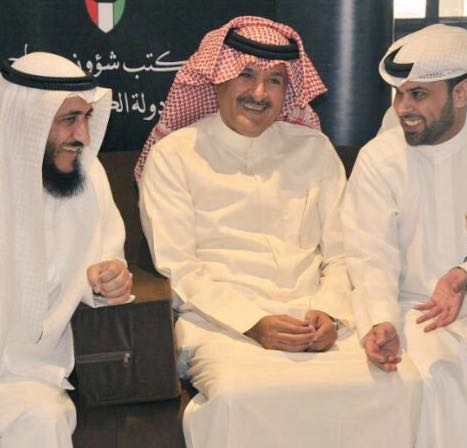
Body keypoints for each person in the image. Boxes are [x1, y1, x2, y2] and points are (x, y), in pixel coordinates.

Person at [138, 16, 420, 448]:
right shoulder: (174, 156)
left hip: (313, 323)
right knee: (241, 397)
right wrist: (253, 324)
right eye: (246, 74)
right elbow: (179, 269)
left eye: (274, 81)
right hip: (222, 327)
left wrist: (330, 312)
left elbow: (343, 253)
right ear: (217, 78)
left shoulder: (314, 149)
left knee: (396, 385)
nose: (259, 93)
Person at [343, 24, 467, 447]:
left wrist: (462, 273)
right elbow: (369, 254)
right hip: (416, 312)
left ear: (461, 94)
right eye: (398, 94)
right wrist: (379, 320)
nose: (402, 108)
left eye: (418, 95)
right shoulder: (380, 160)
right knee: (436, 379)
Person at [0, 52, 132, 447]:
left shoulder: (88, 177)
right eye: (69, 119)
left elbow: (107, 266)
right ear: (29, 119)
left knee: (40, 421)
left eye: (87, 117)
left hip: (28, 376)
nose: (83, 136)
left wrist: (108, 282)